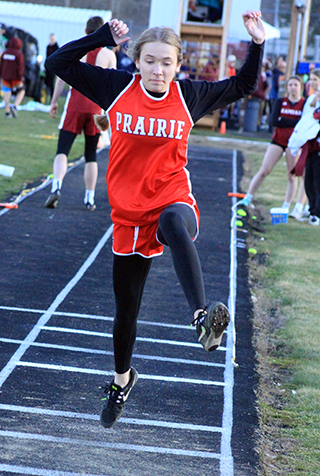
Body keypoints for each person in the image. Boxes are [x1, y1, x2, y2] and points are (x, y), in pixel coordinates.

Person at [46, 10, 265, 428]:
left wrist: (256, 44)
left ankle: (202, 316)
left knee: (173, 222)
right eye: (150, 61)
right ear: (136, 60)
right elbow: (55, 64)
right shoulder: (115, 87)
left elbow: (243, 84)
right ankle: (122, 379)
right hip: (128, 213)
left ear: (177, 65)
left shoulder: (189, 96)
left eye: (167, 63)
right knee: (125, 312)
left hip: (172, 196)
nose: (158, 70)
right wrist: (99, 40)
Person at [45, 16, 117, 211]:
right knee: (91, 155)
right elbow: (114, 86)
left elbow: (61, 78)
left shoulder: (77, 50)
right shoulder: (109, 56)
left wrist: (53, 102)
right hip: (95, 108)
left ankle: (56, 186)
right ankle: (89, 198)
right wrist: (110, 113)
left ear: (86, 32)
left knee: (63, 150)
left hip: (75, 105)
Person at [239, 76, 306, 210]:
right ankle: (248, 197)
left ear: (301, 88)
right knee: (264, 170)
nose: (293, 88)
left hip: (293, 143)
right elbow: (274, 121)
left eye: (295, 85)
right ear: (287, 87)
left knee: (292, 175)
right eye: (290, 85)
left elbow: (302, 123)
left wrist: (285, 121)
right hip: (278, 140)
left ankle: (286, 206)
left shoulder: (304, 104)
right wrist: (292, 122)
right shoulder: (281, 101)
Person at [0, 35, 25, 118]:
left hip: (5, 77)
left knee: (7, 93)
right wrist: (20, 76)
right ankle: (15, 106)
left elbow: (1, 65)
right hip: (16, 78)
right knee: (21, 90)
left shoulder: (4, 53)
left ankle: (7, 112)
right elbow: (20, 67)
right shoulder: (18, 54)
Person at [45, 33, 59, 100]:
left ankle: (52, 98)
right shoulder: (48, 47)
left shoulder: (56, 48)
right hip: (48, 68)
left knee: (52, 84)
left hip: (53, 68)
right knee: (47, 83)